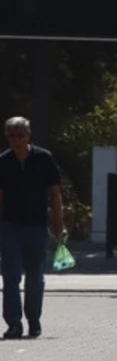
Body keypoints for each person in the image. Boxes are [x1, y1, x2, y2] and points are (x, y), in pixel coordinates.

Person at [0, 116, 65, 339]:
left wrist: (59, 224)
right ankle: (14, 323)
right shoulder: (4, 162)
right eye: (12, 135)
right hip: (10, 226)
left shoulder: (43, 159)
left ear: (28, 136)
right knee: (10, 275)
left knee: (36, 276)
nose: (16, 140)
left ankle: (34, 319)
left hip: (37, 226)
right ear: (7, 137)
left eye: (21, 135)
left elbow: (55, 194)